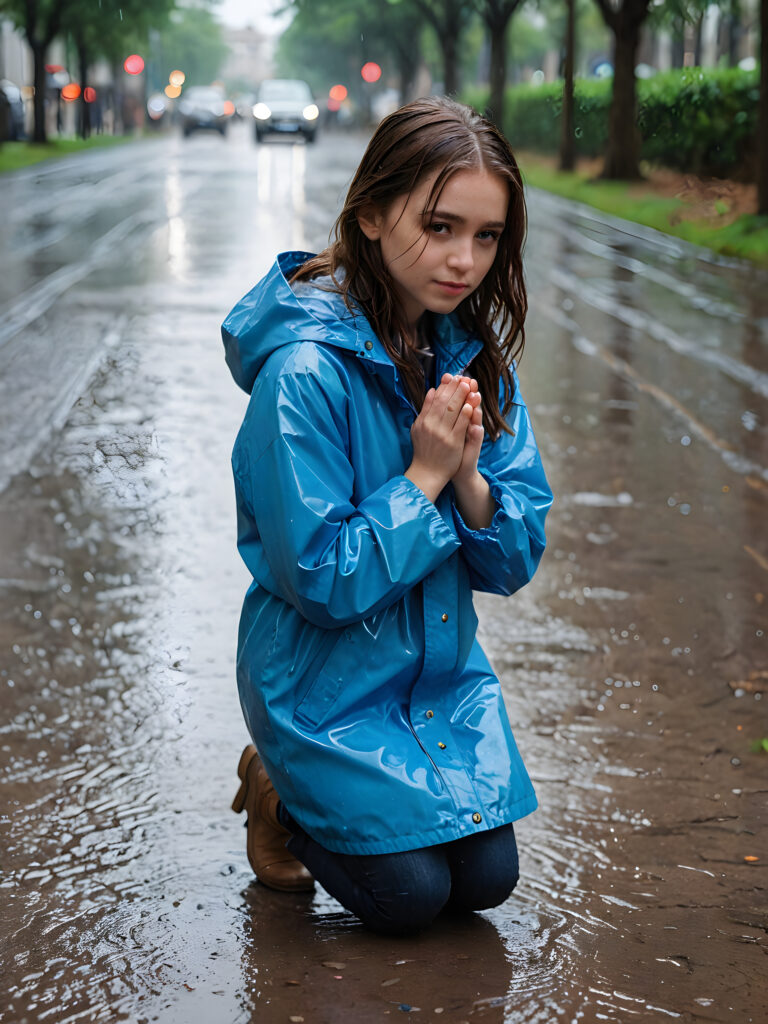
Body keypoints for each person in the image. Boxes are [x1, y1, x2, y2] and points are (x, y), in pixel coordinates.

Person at [223, 96, 553, 935]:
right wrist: (422, 476)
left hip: (436, 686)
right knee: (409, 900)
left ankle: (329, 804)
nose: (464, 260)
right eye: (439, 226)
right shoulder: (302, 377)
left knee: (486, 880)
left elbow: (513, 563)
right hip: (319, 692)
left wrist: (469, 481)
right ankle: (280, 790)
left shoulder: (473, 360)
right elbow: (324, 581)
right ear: (371, 213)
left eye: (487, 237)